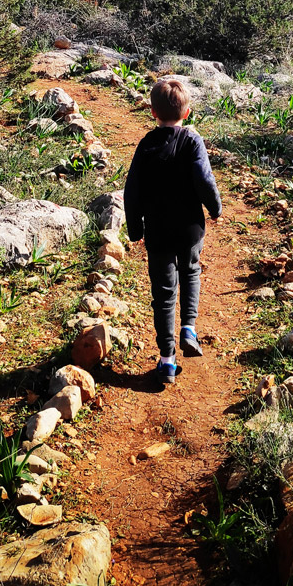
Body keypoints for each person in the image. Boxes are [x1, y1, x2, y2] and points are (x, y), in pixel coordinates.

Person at [124, 78, 222, 384]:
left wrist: (133, 227)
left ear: (153, 112)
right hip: (190, 226)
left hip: (158, 229)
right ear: (188, 112)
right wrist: (215, 208)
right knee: (191, 270)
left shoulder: (146, 145)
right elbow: (204, 180)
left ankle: (167, 361)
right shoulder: (193, 142)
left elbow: (132, 190)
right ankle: (188, 328)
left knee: (163, 294)